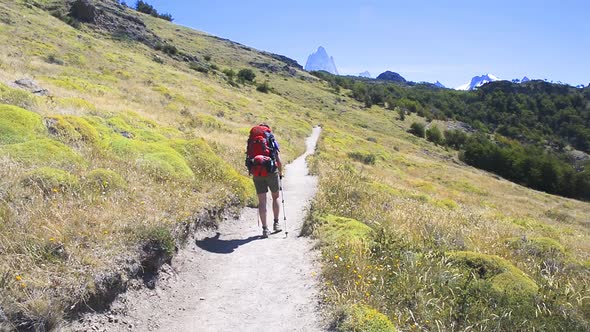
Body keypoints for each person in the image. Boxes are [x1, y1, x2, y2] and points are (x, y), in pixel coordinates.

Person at [247, 123, 283, 238]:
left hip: (257, 171)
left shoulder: (252, 140)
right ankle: (276, 223)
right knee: (276, 197)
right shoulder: (270, 138)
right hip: (271, 171)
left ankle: (265, 229)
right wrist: (281, 173)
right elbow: (278, 159)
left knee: (262, 201)